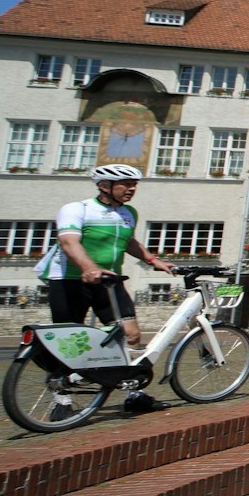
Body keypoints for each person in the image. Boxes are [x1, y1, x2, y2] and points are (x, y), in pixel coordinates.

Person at [38, 164, 178, 413]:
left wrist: (152, 260)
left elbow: (129, 241)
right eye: (126, 184)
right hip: (70, 280)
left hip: (109, 282)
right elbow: (69, 243)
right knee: (69, 343)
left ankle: (134, 394)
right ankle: (62, 401)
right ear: (104, 186)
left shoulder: (128, 212)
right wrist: (89, 267)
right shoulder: (76, 209)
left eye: (134, 185)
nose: (132, 189)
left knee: (130, 335)